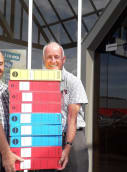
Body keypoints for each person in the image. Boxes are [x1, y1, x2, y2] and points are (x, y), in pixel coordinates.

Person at [42, 42, 89, 172]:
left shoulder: (73, 82)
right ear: (44, 59)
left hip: (73, 138)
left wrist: (67, 148)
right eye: (49, 57)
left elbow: (72, 118)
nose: (53, 61)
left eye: (56, 57)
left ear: (63, 60)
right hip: (48, 137)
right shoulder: (38, 81)